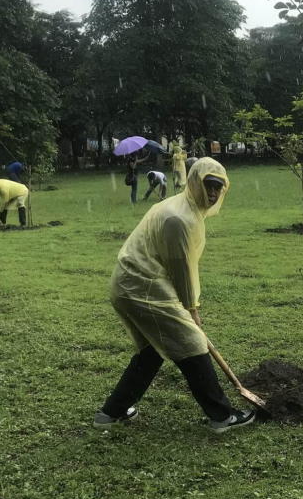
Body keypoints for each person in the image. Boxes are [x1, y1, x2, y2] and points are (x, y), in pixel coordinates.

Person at [94, 158, 255, 433]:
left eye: (219, 187)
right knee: (192, 341)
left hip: (131, 283)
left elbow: (180, 266)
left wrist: (190, 306)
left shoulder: (184, 208)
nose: (214, 193)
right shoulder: (179, 218)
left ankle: (111, 413)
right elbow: (182, 269)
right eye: (209, 186)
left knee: (152, 351)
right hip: (141, 286)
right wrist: (191, 309)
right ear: (194, 182)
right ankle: (222, 416)